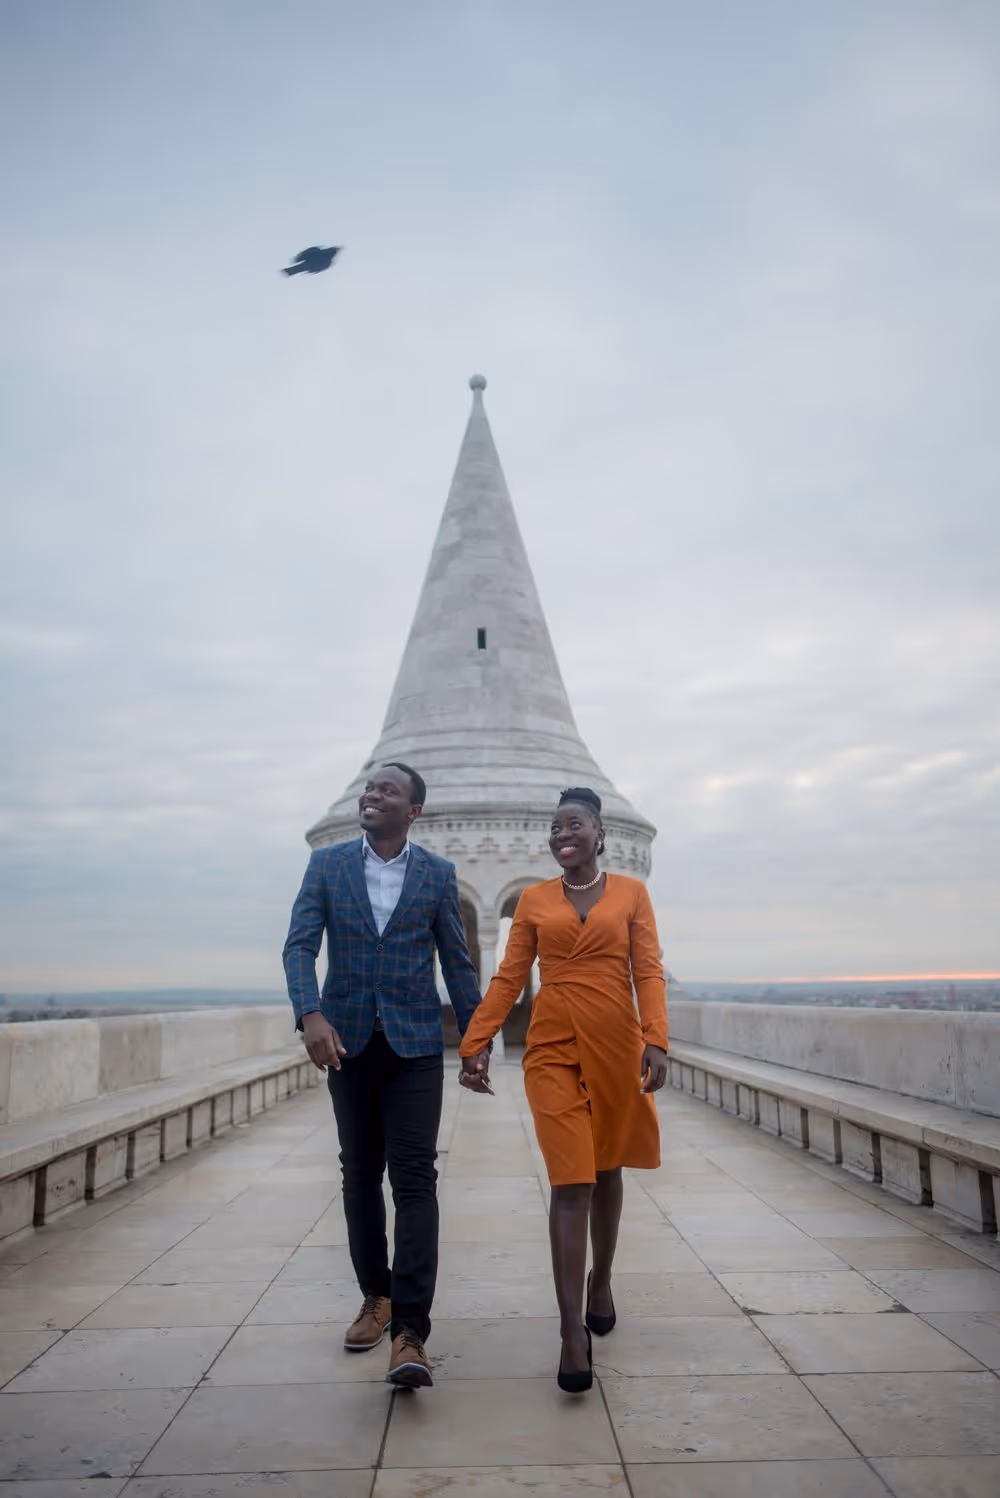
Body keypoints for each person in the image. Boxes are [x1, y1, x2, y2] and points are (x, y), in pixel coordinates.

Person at [458, 787, 668, 1393]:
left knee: (608, 1171)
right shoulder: (534, 900)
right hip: (551, 1050)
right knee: (571, 1180)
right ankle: (571, 1331)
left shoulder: (632, 894)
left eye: (572, 825)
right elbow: (509, 976)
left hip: (617, 1045)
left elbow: (647, 970)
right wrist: (477, 1040)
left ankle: (601, 1279)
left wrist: (657, 1038)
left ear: (599, 835)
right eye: (554, 829)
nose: (560, 835)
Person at [282, 763, 486, 1390]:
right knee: (359, 1173)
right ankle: (377, 1297)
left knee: (415, 1179)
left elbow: (457, 961)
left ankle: (411, 1332)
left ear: (413, 810)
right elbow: (298, 946)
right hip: (345, 1040)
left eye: (387, 790)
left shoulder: (437, 875)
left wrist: (475, 1040)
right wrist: (309, 1013)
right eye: (370, 788)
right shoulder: (329, 866)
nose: (371, 794)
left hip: (415, 1045)